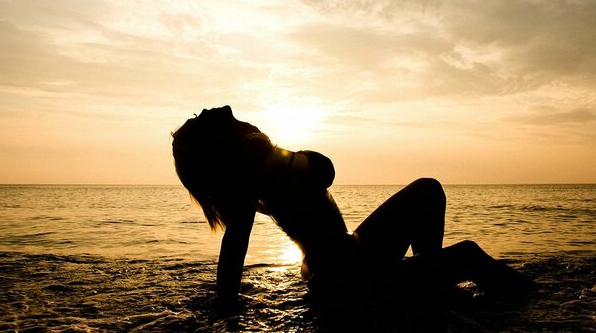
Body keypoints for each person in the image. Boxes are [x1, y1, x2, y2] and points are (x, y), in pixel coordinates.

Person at [172, 105, 533, 309]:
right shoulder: (253, 164)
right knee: (469, 254)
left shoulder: (255, 161)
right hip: (346, 275)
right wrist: (225, 306)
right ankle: (518, 298)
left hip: (348, 257)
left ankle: (428, 282)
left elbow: (318, 172)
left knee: (427, 189)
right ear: (218, 144)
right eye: (201, 118)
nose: (208, 109)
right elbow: (323, 172)